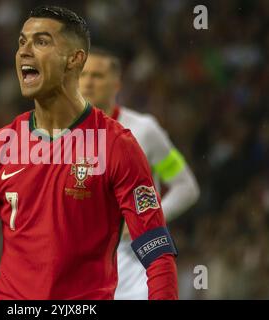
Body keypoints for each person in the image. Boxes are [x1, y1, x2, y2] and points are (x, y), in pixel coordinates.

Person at [0, 5, 178, 300]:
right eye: (21, 42)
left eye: (41, 41)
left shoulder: (117, 145)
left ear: (74, 60)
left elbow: (156, 252)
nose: (24, 51)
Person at [80, 47, 200, 299]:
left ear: (116, 84)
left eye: (98, 76)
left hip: (135, 267)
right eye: (83, 75)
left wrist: (148, 221)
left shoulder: (144, 130)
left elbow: (186, 186)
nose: (88, 82)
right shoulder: (63, 135)